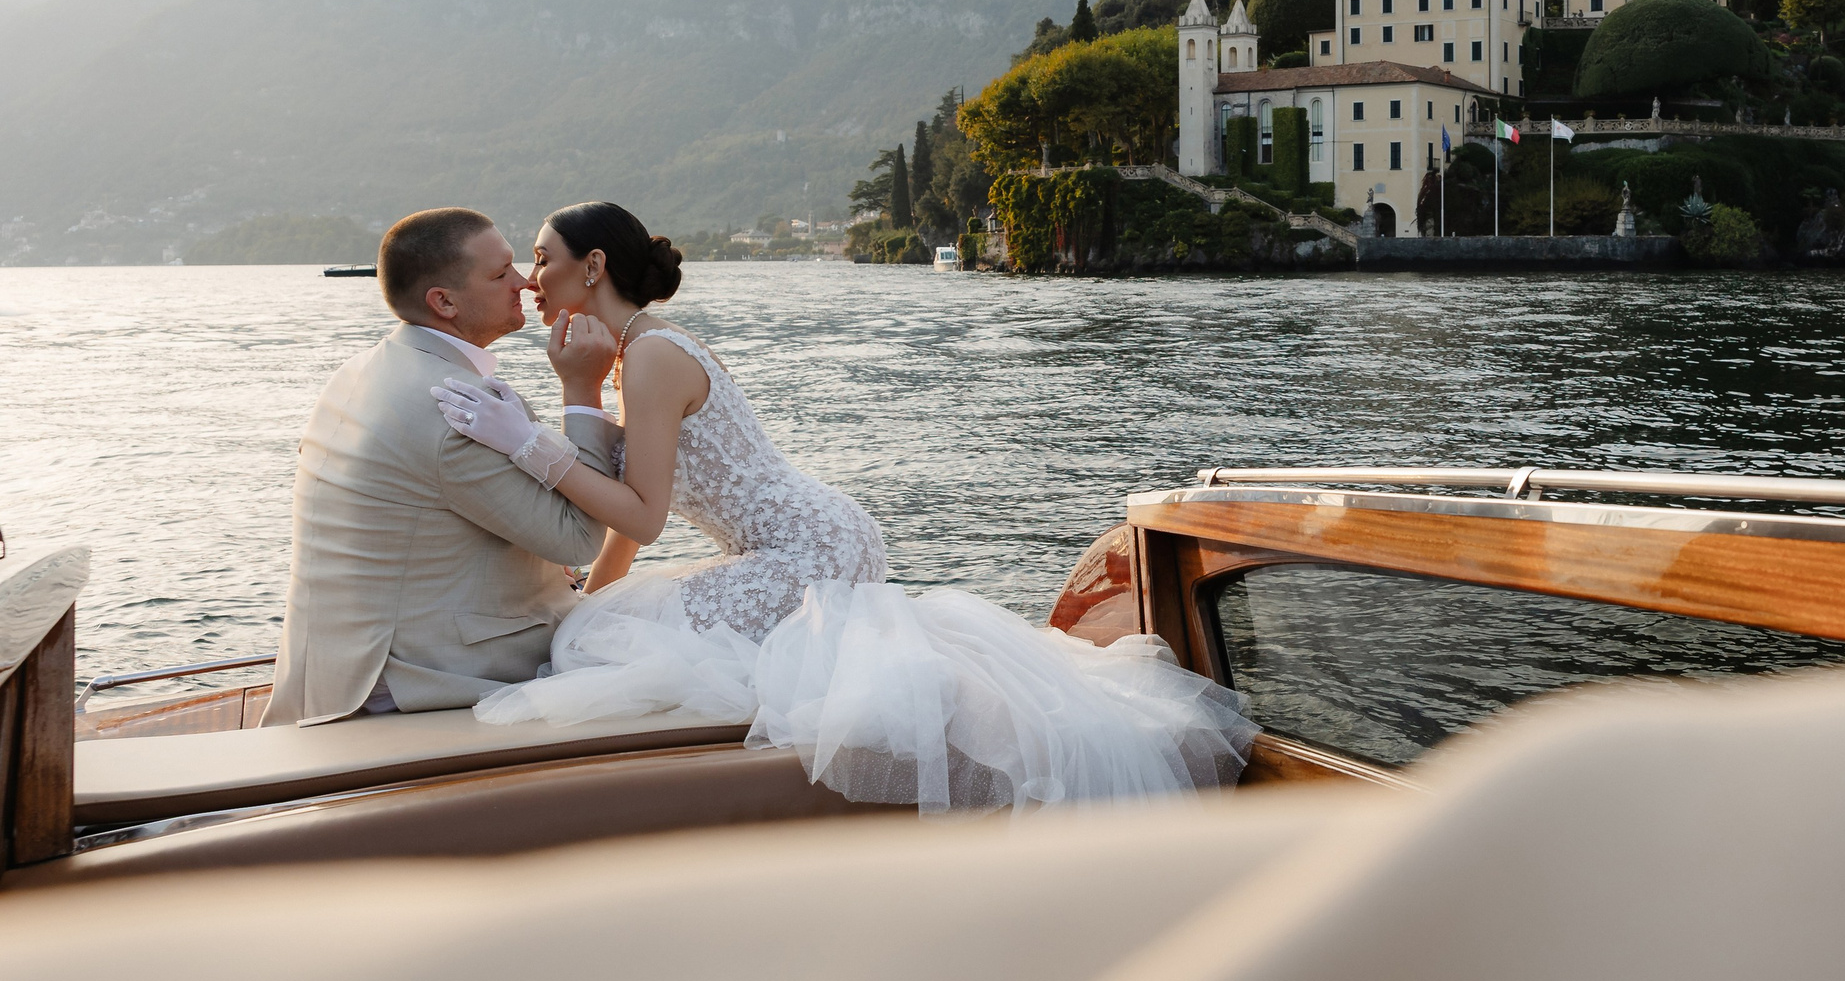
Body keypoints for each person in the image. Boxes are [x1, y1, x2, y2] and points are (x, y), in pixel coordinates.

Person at [434, 201, 1255, 809]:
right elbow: (629, 513)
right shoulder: (638, 353)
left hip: (806, 548)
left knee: (600, 644)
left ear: (593, 265)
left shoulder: (648, 355)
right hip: (817, 532)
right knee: (602, 626)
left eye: (540, 258)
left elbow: (643, 516)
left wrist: (528, 444)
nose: (532, 278)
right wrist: (597, 591)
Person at [266, 208, 623, 726]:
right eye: (501, 274)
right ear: (444, 301)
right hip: (422, 675)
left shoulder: (359, 370)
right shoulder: (457, 404)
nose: (525, 282)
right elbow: (579, 539)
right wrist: (584, 392)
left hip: (327, 666)